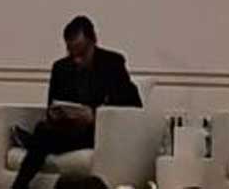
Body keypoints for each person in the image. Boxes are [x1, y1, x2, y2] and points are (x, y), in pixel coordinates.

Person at [11, 16, 142, 189]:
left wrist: (94, 115)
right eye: (72, 54)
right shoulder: (61, 68)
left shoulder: (112, 63)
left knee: (41, 136)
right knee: (44, 130)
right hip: (68, 131)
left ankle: (29, 144)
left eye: (82, 53)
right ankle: (19, 185)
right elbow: (52, 105)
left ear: (93, 42)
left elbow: (133, 104)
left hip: (97, 134)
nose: (77, 60)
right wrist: (56, 114)